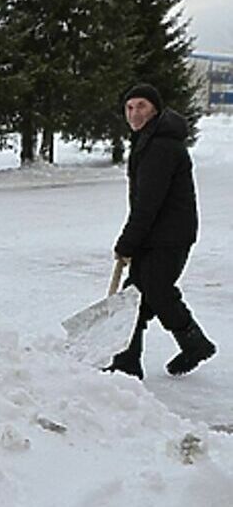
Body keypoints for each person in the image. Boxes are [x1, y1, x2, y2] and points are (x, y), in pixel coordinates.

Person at [103, 83, 216, 379]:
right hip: (158, 234)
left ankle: (194, 344)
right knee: (136, 296)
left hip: (169, 236)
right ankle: (127, 362)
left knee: (156, 291)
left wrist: (127, 242)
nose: (134, 113)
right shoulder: (148, 140)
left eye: (141, 106)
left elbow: (148, 203)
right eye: (129, 107)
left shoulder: (161, 146)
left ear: (155, 109)